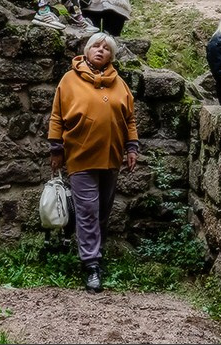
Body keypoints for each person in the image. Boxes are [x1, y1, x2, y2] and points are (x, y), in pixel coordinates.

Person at [49, 32, 139, 293]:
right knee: (88, 210)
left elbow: (129, 118)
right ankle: (91, 265)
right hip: (81, 155)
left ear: (112, 55)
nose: (101, 50)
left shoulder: (119, 82)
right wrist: (56, 148)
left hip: (111, 156)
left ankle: (95, 253)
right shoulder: (69, 80)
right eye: (96, 46)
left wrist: (132, 147)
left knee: (102, 210)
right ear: (87, 51)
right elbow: (57, 115)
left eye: (106, 48)